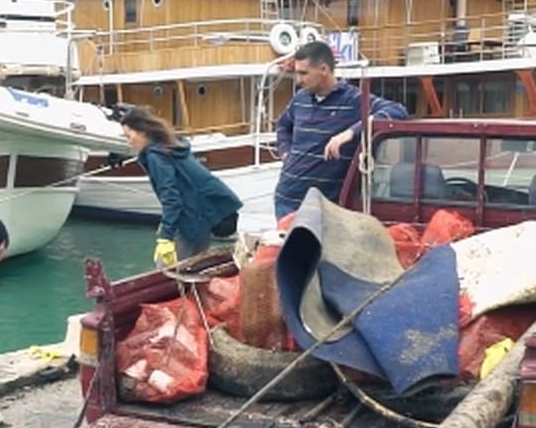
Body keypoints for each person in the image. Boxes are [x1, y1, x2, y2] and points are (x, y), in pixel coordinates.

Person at [273, 40, 409, 220]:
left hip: (324, 207)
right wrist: (285, 153)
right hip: (286, 200)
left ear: (323, 69)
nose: (299, 80)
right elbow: (283, 125)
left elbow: (397, 111)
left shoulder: (352, 99)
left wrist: (350, 133)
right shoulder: (300, 99)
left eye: (303, 73)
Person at [119, 105, 243, 266]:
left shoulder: (156, 157)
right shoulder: (169, 147)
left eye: (129, 136)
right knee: (195, 267)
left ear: (142, 132)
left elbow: (171, 197)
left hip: (192, 219)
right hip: (202, 216)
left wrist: (166, 237)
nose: (129, 142)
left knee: (165, 269)